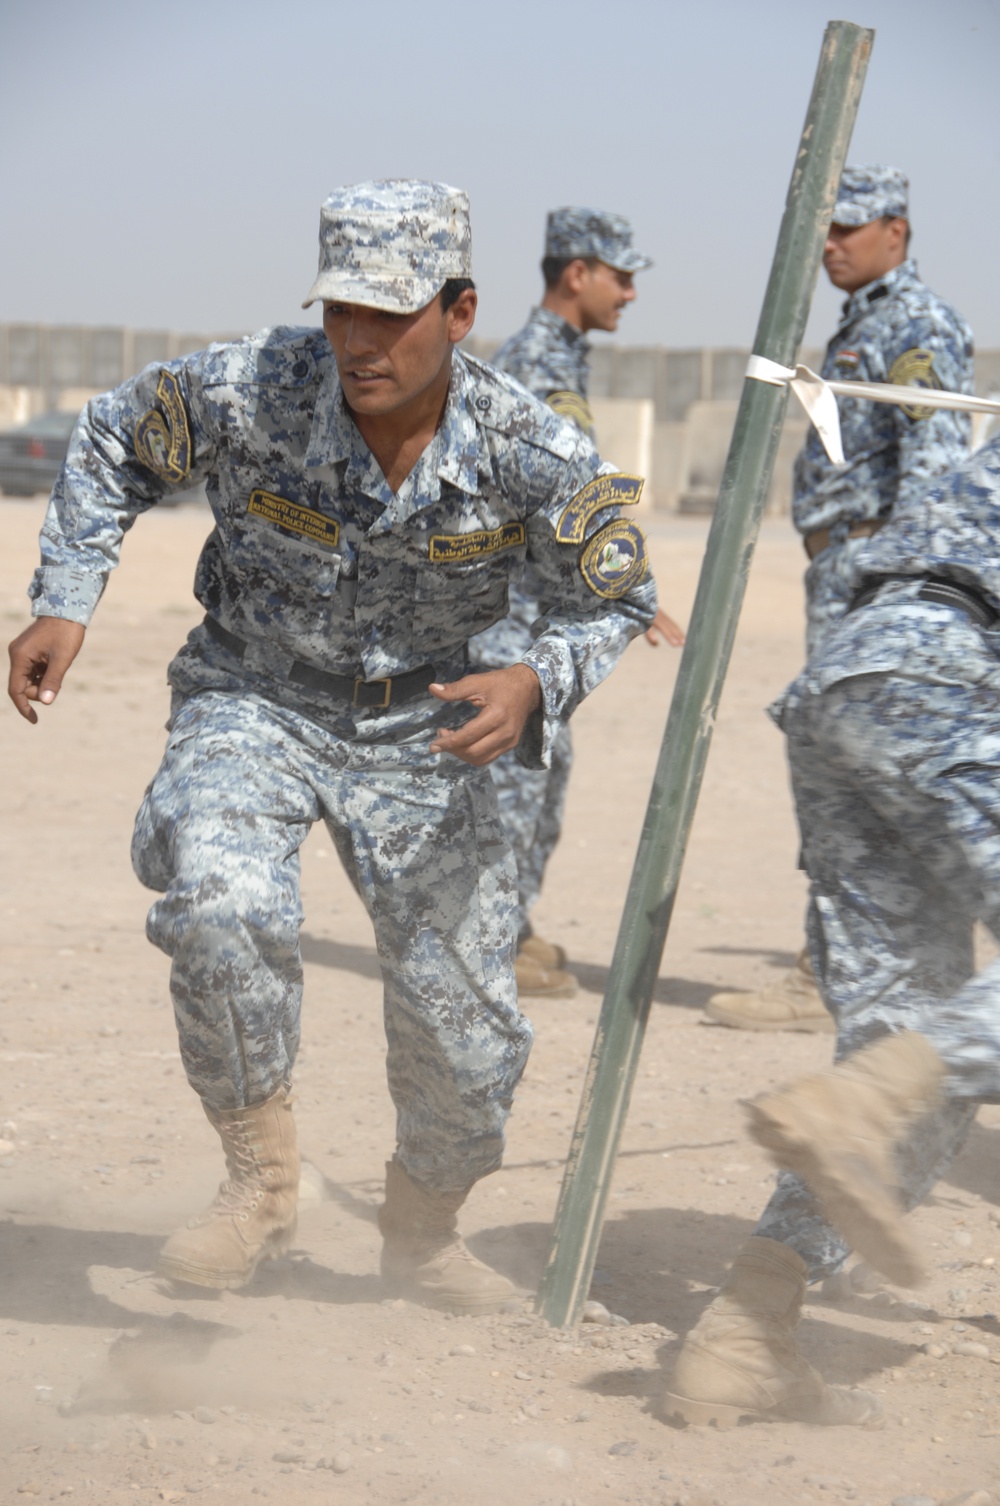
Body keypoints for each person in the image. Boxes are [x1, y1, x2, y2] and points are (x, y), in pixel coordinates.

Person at [7, 179, 657, 1313]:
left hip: (427, 722)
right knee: (218, 901)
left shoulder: (527, 447)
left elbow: (615, 597)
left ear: (459, 312)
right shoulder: (247, 388)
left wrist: (530, 676)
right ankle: (259, 1184)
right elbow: (112, 438)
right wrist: (68, 597)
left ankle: (424, 1232)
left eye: (390, 315)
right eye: (341, 311)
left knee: (465, 1025)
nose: (358, 341)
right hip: (254, 693)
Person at [664, 434, 1000, 1430]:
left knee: (913, 1030)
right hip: (948, 675)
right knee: (889, 1083)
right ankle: (868, 1098)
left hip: (849, 678)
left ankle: (743, 1333)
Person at [705, 163, 974, 1035]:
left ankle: (841, 977)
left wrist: (892, 593)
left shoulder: (916, 324)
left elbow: (932, 476)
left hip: (873, 579)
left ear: (896, 230)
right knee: (842, 777)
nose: (830, 244)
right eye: (826, 229)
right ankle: (836, 967)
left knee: (864, 780)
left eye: (847, 228)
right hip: (845, 573)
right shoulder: (868, 322)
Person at [471, 207, 684, 998]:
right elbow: (553, 499)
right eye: (620, 276)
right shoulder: (538, 363)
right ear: (576, 274)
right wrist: (619, 586)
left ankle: (511, 928)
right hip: (513, 615)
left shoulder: (563, 359)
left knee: (540, 776)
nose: (629, 293)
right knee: (514, 783)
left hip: (540, 609)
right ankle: (487, 945)